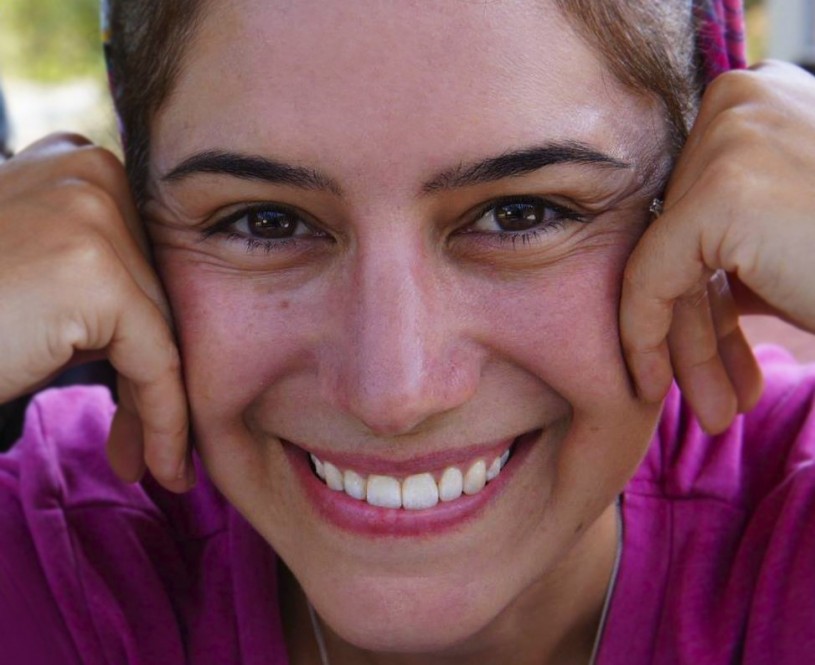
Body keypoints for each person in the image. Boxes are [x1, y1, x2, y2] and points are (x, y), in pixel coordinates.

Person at [1, 0, 814, 663]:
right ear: (133, 238)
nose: (394, 392)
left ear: (698, 209)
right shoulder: (62, 554)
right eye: (265, 220)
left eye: (520, 213)